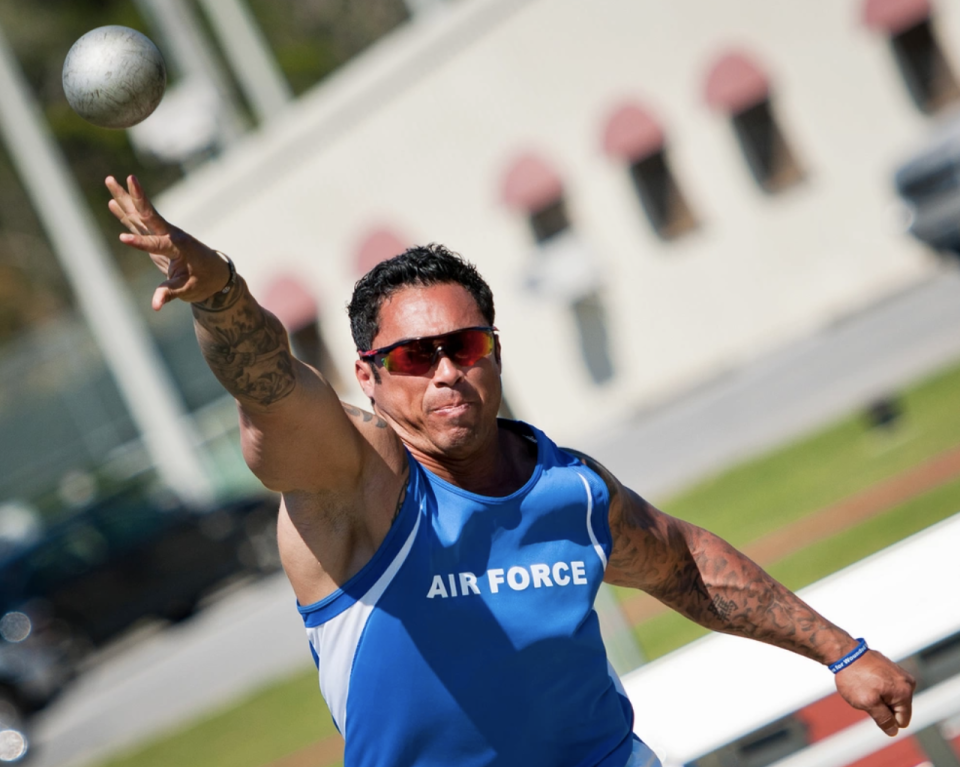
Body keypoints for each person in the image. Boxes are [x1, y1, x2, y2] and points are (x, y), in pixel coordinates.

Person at [106, 174, 915, 767]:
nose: (447, 371)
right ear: (369, 376)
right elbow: (272, 385)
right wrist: (219, 292)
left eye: (465, 346)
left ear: (494, 351)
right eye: (414, 357)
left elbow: (685, 563)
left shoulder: (568, 486)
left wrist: (842, 653)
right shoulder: (356, 485)